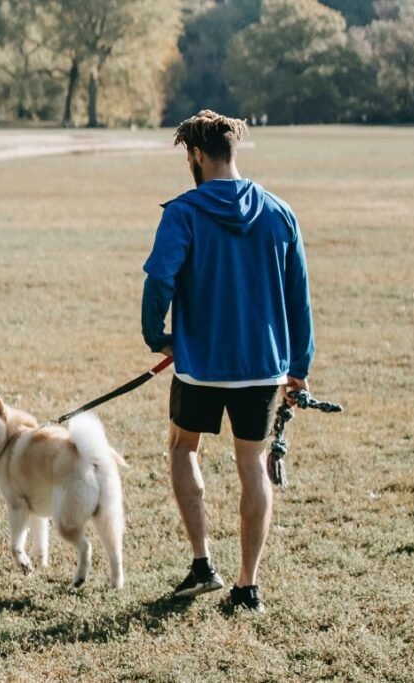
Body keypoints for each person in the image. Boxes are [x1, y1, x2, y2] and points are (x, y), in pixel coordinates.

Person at [141, 110, 315, 612]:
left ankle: (202, 565)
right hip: (263, 367)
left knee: (183, 449)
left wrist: (157, 337)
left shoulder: (183, 212)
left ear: (196, 155)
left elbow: (159, 281)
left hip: (199, 365)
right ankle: (247, 586)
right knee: (253, 465)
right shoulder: (280, 212)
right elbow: (299, 299)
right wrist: (299, 369)